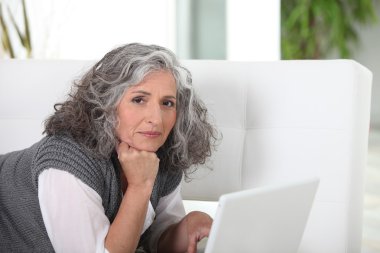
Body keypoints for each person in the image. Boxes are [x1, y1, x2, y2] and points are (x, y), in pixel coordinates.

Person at [0, 43, 218, 253]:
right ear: (106, 104)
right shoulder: (67, 163)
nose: (156, 119)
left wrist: (186, 228)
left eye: (167, 103)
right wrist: (140, 185)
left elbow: (156, 236)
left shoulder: (160, 155)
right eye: (139, 99)